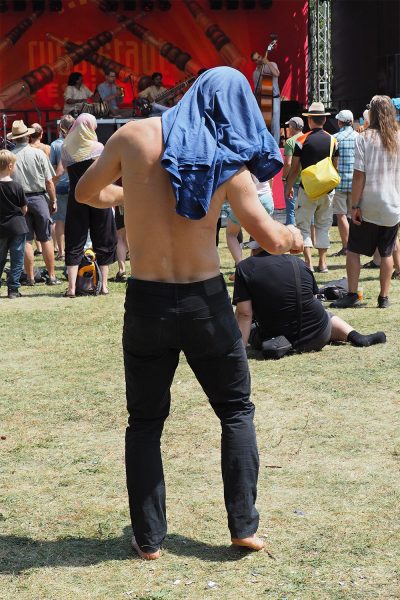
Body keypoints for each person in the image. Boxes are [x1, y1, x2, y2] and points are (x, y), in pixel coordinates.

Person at [75, 66, 303, 560]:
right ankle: (243, 526)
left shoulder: (133, 136)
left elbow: (86, 193)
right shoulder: (227, 162)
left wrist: (132, 194)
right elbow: (268, 236)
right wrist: (294, 237)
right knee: (236, 411)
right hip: (204, 301)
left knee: (145, 421)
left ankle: (149, 539)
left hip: (147, 300)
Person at [233, 244, 386, 353]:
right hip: (318, 335)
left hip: (276, 338)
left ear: (254, 248)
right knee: (325, 314)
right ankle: (355, 336)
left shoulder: (244, 268)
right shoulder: (298, 262)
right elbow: (312, 298)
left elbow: (244, 314)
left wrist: (240, 350)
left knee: (252, 327)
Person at [331, 95, 400, 309]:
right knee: (387, 251)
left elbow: (358, 175)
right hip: (393, 205)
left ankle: (352, 294)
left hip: (369, 204)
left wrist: (355, 206)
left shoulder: (365, 138)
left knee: (353, 250)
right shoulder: (399, 137)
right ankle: (384, 297)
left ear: (373, 113)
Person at [61, 113, 116, 297]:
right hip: (99, 196)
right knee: (104, 239)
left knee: (74, 240)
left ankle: (71, 288)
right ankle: (104, 286)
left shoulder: (66, 147)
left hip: (76, 197)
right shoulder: (98, 147)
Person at [285, 101, 339, 273]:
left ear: (309, 121)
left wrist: (288, 186)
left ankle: (308, 263)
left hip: (307, 189)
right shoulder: (333, 140)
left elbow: (294, 168)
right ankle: (323, 263)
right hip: (327, 190)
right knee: (323, 225)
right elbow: (334, 167)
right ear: (324, 120)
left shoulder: (301, 140)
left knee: (303, 225)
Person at [8, 120, 61, 286]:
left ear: (14, 138)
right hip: (39, 198)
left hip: (18, 201)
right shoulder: (39, 154)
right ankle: (52, 276)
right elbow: (49, 182)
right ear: (28, 136)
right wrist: (53, 201)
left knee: (27, 241)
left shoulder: (10, 156)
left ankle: (30, 278)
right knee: (45, 239)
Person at [0, 149, 28, 298]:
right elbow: (24, 208)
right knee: (17, 259)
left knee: (0, 258)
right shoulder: (17, 186)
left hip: (1, 227)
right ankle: (13, 289)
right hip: (17, 226)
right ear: (10, 166)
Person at [331, 110, 359, 257]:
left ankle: (346, 246)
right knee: (354, 215)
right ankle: (356, 246)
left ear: (340, 122)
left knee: (341, 215)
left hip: (339, 182)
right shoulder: (359, 137)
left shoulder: (334, 138)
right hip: (356, 182)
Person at [49, 114, 75, 262]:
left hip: (60, 185)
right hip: (75, 184)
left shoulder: (55, 145)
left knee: (59, 220)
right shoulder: (78, 142)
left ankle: (61, 251)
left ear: (60, 127)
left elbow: (53, 168)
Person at [252, 45, 280, 144]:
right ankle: (267, 144)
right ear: (254, 62)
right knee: (265, 124)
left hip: (275, 98)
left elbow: (276, 74)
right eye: (256, 60)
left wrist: (267, 62)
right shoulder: (255, 73)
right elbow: (257, 89)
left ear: (261, 56)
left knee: (275, 125)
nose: (258, 60)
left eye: (259, 57)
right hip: (264, 100)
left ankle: (275, 145)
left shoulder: (272, 64)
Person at [282, 116, 304, 225]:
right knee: (307, 209)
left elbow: (288, 163)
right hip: (306, 180)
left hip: (293, 180)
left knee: (291, 209)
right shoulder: (307, 138)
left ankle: (291, 236)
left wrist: (284, 177)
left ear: (292, 127)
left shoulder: (290, 141)